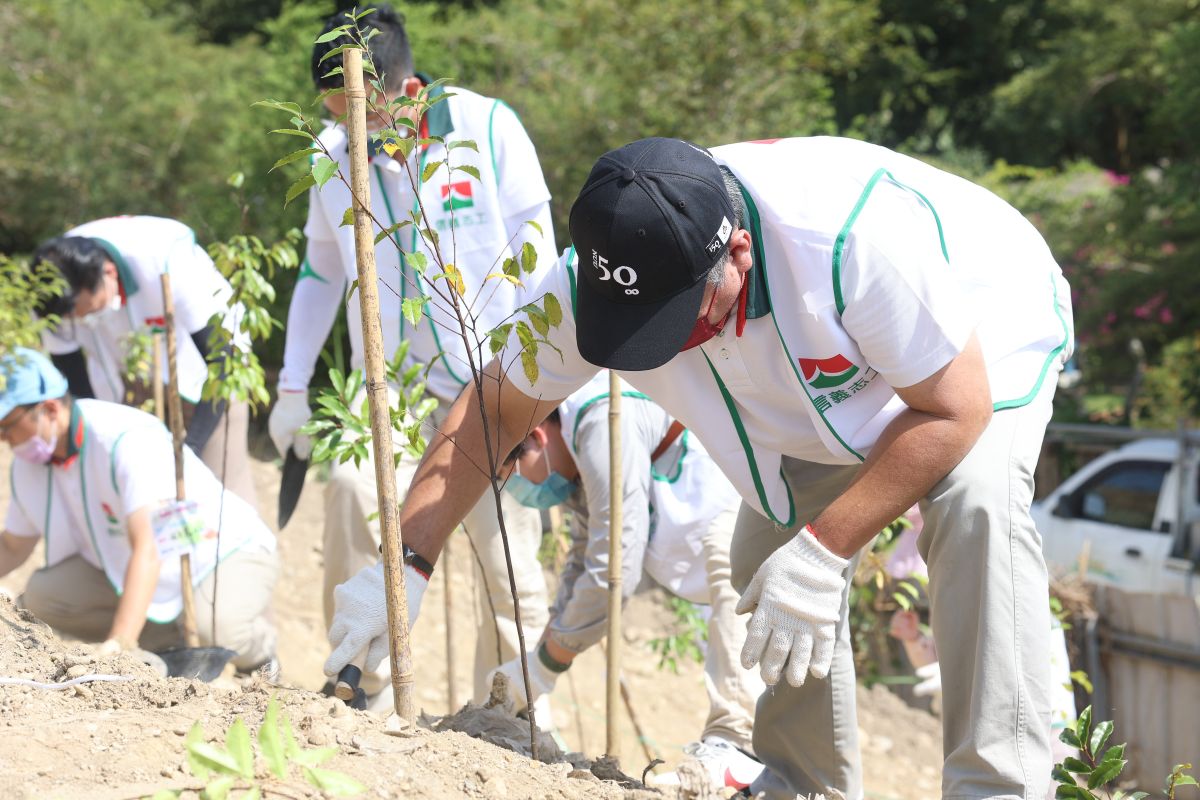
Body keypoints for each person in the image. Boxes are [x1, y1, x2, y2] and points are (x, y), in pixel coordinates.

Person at [325, 135, 1074, 799]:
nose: (668, 347)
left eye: (677, 324)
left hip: (976, 326)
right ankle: (801, 785)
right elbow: (494, 410)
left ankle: (996, 785)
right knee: (763, 557)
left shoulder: (845, 244)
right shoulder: (602, 276)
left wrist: (827, 548)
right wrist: (405, 565)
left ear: (737, 256)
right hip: (830, 377)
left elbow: (952, 410)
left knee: (973, 501)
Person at [267, 5, 558, 708]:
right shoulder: (334, 152)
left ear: (400, 89)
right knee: (350, 492)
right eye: (333, 110)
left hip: (496, 386)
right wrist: (293, 385)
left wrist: (545, 390)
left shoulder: (486, 129)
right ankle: (354, 683)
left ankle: (511, 716)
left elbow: (542, 258)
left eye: (356, 108)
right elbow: (320, 273)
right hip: (393, 384)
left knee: (508, 565)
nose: (346, 126)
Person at [488, 372, 765, 791]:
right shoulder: (578, 450)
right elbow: (583, 556)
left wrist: (545, 665)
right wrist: (542, 652)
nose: (525, 490)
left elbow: (612, 566)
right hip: (709, 507)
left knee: (735, 578)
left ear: (539, 439)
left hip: (734, 494)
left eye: (518, 473)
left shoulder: (599, 420)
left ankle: (736, 747)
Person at [0, 349, 278, 671]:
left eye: (7, 425)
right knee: (46, 597)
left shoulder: (122, 439)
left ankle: (261, 652)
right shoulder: (30, 462)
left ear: (48, 409)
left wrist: (119, 647)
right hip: (126, 565)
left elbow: (150, 547)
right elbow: (12, 545)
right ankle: (169, 647)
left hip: (219, 551)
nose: (3, 438)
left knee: (215, 628)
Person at [33, 216, 258, 506]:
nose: (81, 321)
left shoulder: (166, 262)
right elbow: (74, 378)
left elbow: (222, 363)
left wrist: (189, 451)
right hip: (127, 371)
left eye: (87, 310)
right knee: (134, 490)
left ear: (110, 273)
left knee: (219, 490)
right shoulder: (48, 292)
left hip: (207, 371)